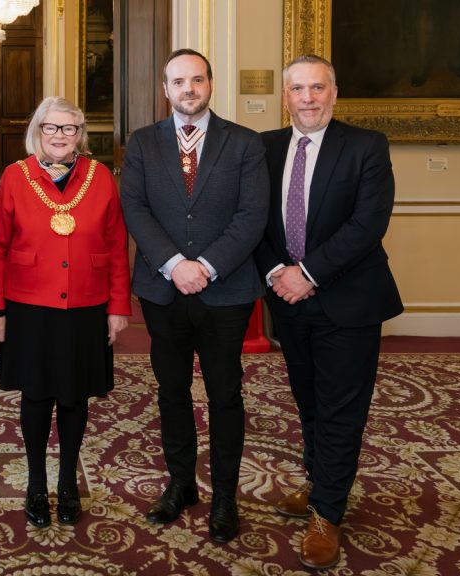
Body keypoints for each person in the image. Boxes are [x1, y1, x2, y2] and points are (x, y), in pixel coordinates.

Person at [255, 54, 402, 570]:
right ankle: (322, 483)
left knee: (342, 409)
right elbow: (255, 222)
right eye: (299, 89)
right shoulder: (266, 148)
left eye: (318, 88)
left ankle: (327, 512)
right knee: (310, 402)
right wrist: (278, 272)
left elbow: (367, 225)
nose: (309, 98)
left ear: (334, 94)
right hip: (289, 303)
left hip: (349, 301)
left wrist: (307, 273)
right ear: (286, 97)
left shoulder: (365, 146)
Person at [120, 48, 268, 544]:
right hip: (163, 291)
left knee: (226, 393)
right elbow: (135, 208)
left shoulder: (245, 144)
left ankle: (225, 494)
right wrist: (173, 265)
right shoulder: (141, 143)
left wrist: (203, 266)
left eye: (197, 80)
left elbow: (252, 215)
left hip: (226, 292)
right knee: (171, 391)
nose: (189, 89)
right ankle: (180, 482)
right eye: (178, 81)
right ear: (166, 89)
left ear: (211, 84)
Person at [0, 97, 130, 528]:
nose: (61, 136)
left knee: (74, 395)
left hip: (86, 303)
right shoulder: (15, 176)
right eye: (52, 128)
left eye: (70, 128)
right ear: (38, 130)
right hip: (28, 305)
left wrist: (118, 306)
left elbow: (117, 245)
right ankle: (34, 483)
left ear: (80, 134)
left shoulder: (100, 177)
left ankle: (67, 481)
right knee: (36, 395)